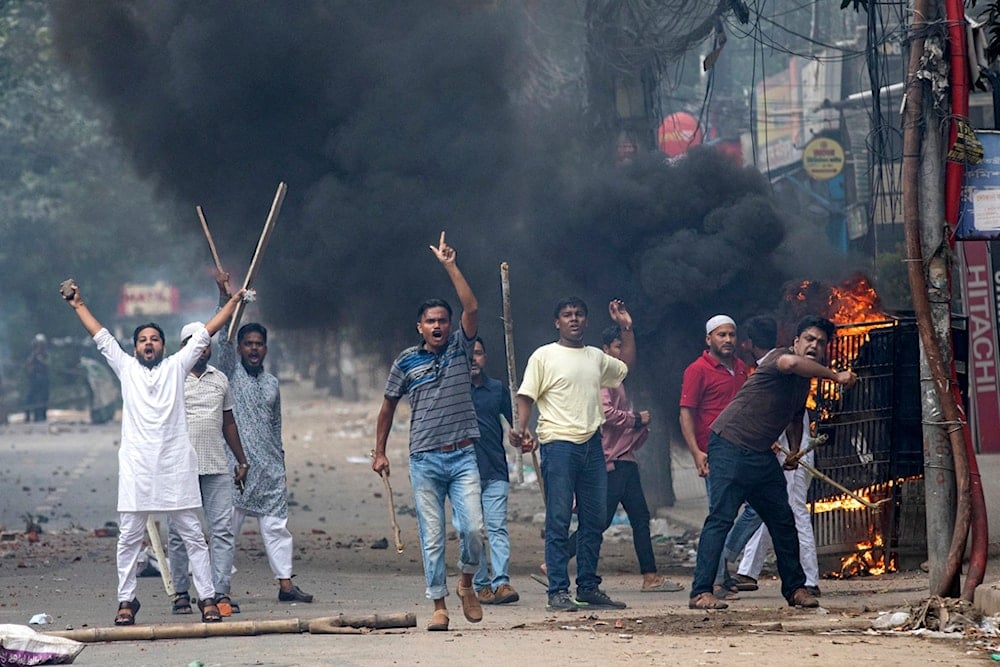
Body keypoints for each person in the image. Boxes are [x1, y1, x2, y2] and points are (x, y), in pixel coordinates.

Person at [61, 279, 244, 625]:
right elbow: (100, 336)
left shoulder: (177, 367)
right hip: (138, 469)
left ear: (163, 346)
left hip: (175, 466)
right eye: (143, 340)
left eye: (154, 339)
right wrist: (78, 304)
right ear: (134, 349)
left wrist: (232, 302)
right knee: (129, 537)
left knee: (192, 534)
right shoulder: (126, 368)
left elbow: (207, 331)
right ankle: (126, 601)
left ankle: (206, 597)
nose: (149, 344)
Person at [688, 315, 857, 610]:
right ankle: (701, 592)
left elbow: (793, 417)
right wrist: (835, 376)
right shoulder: (782, 358)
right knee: (720, 518)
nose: (814, 346)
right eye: (809, 339)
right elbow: (792, 365)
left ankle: (795, 589)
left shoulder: (803, 383)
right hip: (730, 443)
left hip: (759, 454)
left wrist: (793, 452)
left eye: (820, 342)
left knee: (782, 519)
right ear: (795, 342)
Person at [373, 232, 485, 632]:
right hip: (424, 459)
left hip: (462, 455)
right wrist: (379, 451)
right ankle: (438, 605)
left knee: (473, 528)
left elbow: (471, 307)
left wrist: (450, 265)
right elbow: (387, 406)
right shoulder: (405, 362)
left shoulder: (460, 347)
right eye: (431, 321)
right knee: (433, 536)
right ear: (419, 327)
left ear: (450, 325)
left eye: (443, 320)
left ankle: (467, 583)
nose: (438, 326)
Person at [510, 297, 633, 612]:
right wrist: (521, 428)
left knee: (594, 521)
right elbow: (526, 396)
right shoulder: (544, 356)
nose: (573, 319)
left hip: (593, 445)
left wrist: (626, 327)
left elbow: (624, 368)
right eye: (567, 315)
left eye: (579, 314)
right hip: (559, 445)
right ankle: (558, 592)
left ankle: (588, 587)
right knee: (559, 520)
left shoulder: (595, 357)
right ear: (557, 322)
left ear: (586, 321)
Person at [556, 325, 685, 593]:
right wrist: (635, 419)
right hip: (611, 460)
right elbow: (605, 412)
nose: (622, 353)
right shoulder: (605, 379)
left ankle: (650, 576)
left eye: (622, 347)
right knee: (600, 521)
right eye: (617, 347)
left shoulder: (616, 379)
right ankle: (555, 562)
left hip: (625, 459)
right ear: (605, 350)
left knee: (640, 516)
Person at [215, 276, 314, 605]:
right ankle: (220, 590)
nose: (253, 349)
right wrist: (228, 300)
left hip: (270, 468)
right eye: (248, 344)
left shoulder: (272, 384)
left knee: (277, 528)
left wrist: (281, 463)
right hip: (235, 468)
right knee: (226, 531)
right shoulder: (230, 373)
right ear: (241, 348)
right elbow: (223, 342)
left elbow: (276, 426)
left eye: (259, 344)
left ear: (265, 349)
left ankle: (286, 585)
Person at [166, 322, 250, 617]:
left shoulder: (220, 380)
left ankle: (220, 591)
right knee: (178, 533)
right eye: (193, 342)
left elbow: (228, 423)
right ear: (182, 347)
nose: (201, 347)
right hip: (180, 468)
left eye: (205, 342)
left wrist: (241, 459)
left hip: (216, 465)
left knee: (222, 531)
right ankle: (181, 593)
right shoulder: (171, 377)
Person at [678, 314, 749, 599]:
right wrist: (696, 452)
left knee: (758, 509)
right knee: (720, 514)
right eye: (722, 335)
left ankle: (725, 554)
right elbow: (686, 413)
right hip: (714, 454)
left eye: (731, 334)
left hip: (744, 450)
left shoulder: (742, 368)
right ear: (709, 339)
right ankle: (716, 580)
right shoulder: (697, 370)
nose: (728, 340)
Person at [733, 410, 822, 597]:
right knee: (770, 511)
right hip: (784, 455)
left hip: (792, 457)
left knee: (795, 513)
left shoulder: (784, 389)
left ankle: (808, 579)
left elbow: (789, 422)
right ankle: (748, 571)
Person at [469, 337, 519, 605]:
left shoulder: (497, 389)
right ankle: (480, 584)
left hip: (496, 470)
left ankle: (501, 582)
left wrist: (521, 435)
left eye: (477, 353)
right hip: (463, 474)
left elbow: (517, 422)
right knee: (473, 531)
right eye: (468, 354)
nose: (472, 359)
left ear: (484, 357)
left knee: (497, 527)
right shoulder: (454, 391)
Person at [24, 333, 50, 422]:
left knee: (44, 398)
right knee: (30, 398)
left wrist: (40, 359)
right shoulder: (32, 356)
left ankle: (42, 416)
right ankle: (28, 416)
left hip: (44, 380)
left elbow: (48, 365)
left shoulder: (46, 355)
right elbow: (28, 366)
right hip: (34, 380)